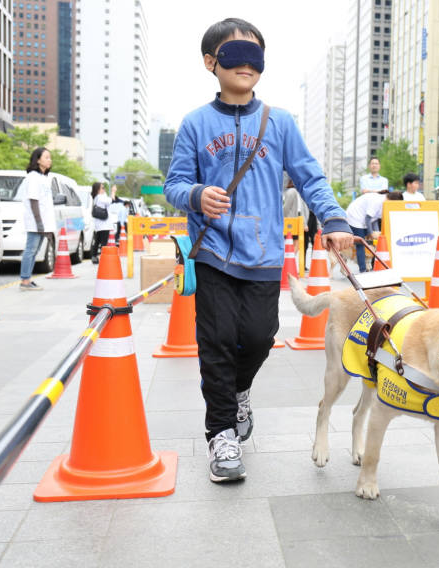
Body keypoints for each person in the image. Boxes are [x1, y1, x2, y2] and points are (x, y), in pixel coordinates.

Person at [163, 18, 353, 483]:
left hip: (265, 255)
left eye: (255, 57)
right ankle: (222, 434)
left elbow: (309, 176)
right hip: (212, 253)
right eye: (233, 55)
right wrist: (195, 195)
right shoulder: (195, 123)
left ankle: (239, 389)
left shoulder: (281, 122)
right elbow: (174, 184)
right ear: (211, 63)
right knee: (217, 342)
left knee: (260, 335)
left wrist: (332, 219)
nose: (246, 65)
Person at [19, 147, 55, 291]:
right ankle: (25, 281)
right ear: (38, 159)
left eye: (50, 157)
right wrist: (39, 223)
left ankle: (28, 279)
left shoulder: (43, 178)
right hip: (35, 222)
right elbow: (33, 201)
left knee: (34, 251)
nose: (49, 160)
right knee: (30, 250)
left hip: (42, 223)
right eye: (46, 157)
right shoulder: (33, 177)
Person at [346, 190, 403, 272]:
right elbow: (368, 218)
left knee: (372, 243)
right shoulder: (377, 201)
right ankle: (363, 270)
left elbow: (374, 219)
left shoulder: (384, 201)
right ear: (391, 200)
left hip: (363, 220)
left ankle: (371, 267)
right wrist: (371, 233)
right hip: (355, 218)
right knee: (361, 244)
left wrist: (376, 232)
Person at [90, 182, 117, 264]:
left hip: (99, 225)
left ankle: (94, 256)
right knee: (104, 242)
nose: (104, 189)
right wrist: (113, 191)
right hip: (104, 225)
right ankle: (103, 258)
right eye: (102, 188)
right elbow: (111, 200)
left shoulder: (97, 197)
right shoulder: (101, 197)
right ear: (98, 189)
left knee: (98, 240)